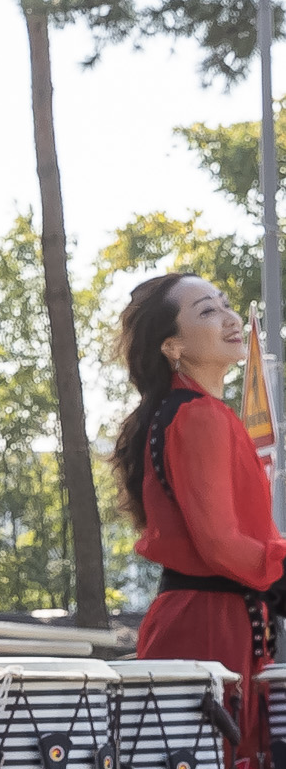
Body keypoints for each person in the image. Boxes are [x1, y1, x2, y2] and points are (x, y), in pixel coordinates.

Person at [115, 273, 286, 733]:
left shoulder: (189, 411)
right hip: (208, 627)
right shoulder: (198, 415)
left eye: (225, 304)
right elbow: (221, 543)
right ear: (173, 346)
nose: (230, 319)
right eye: (207, 311)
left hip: (211, 618)